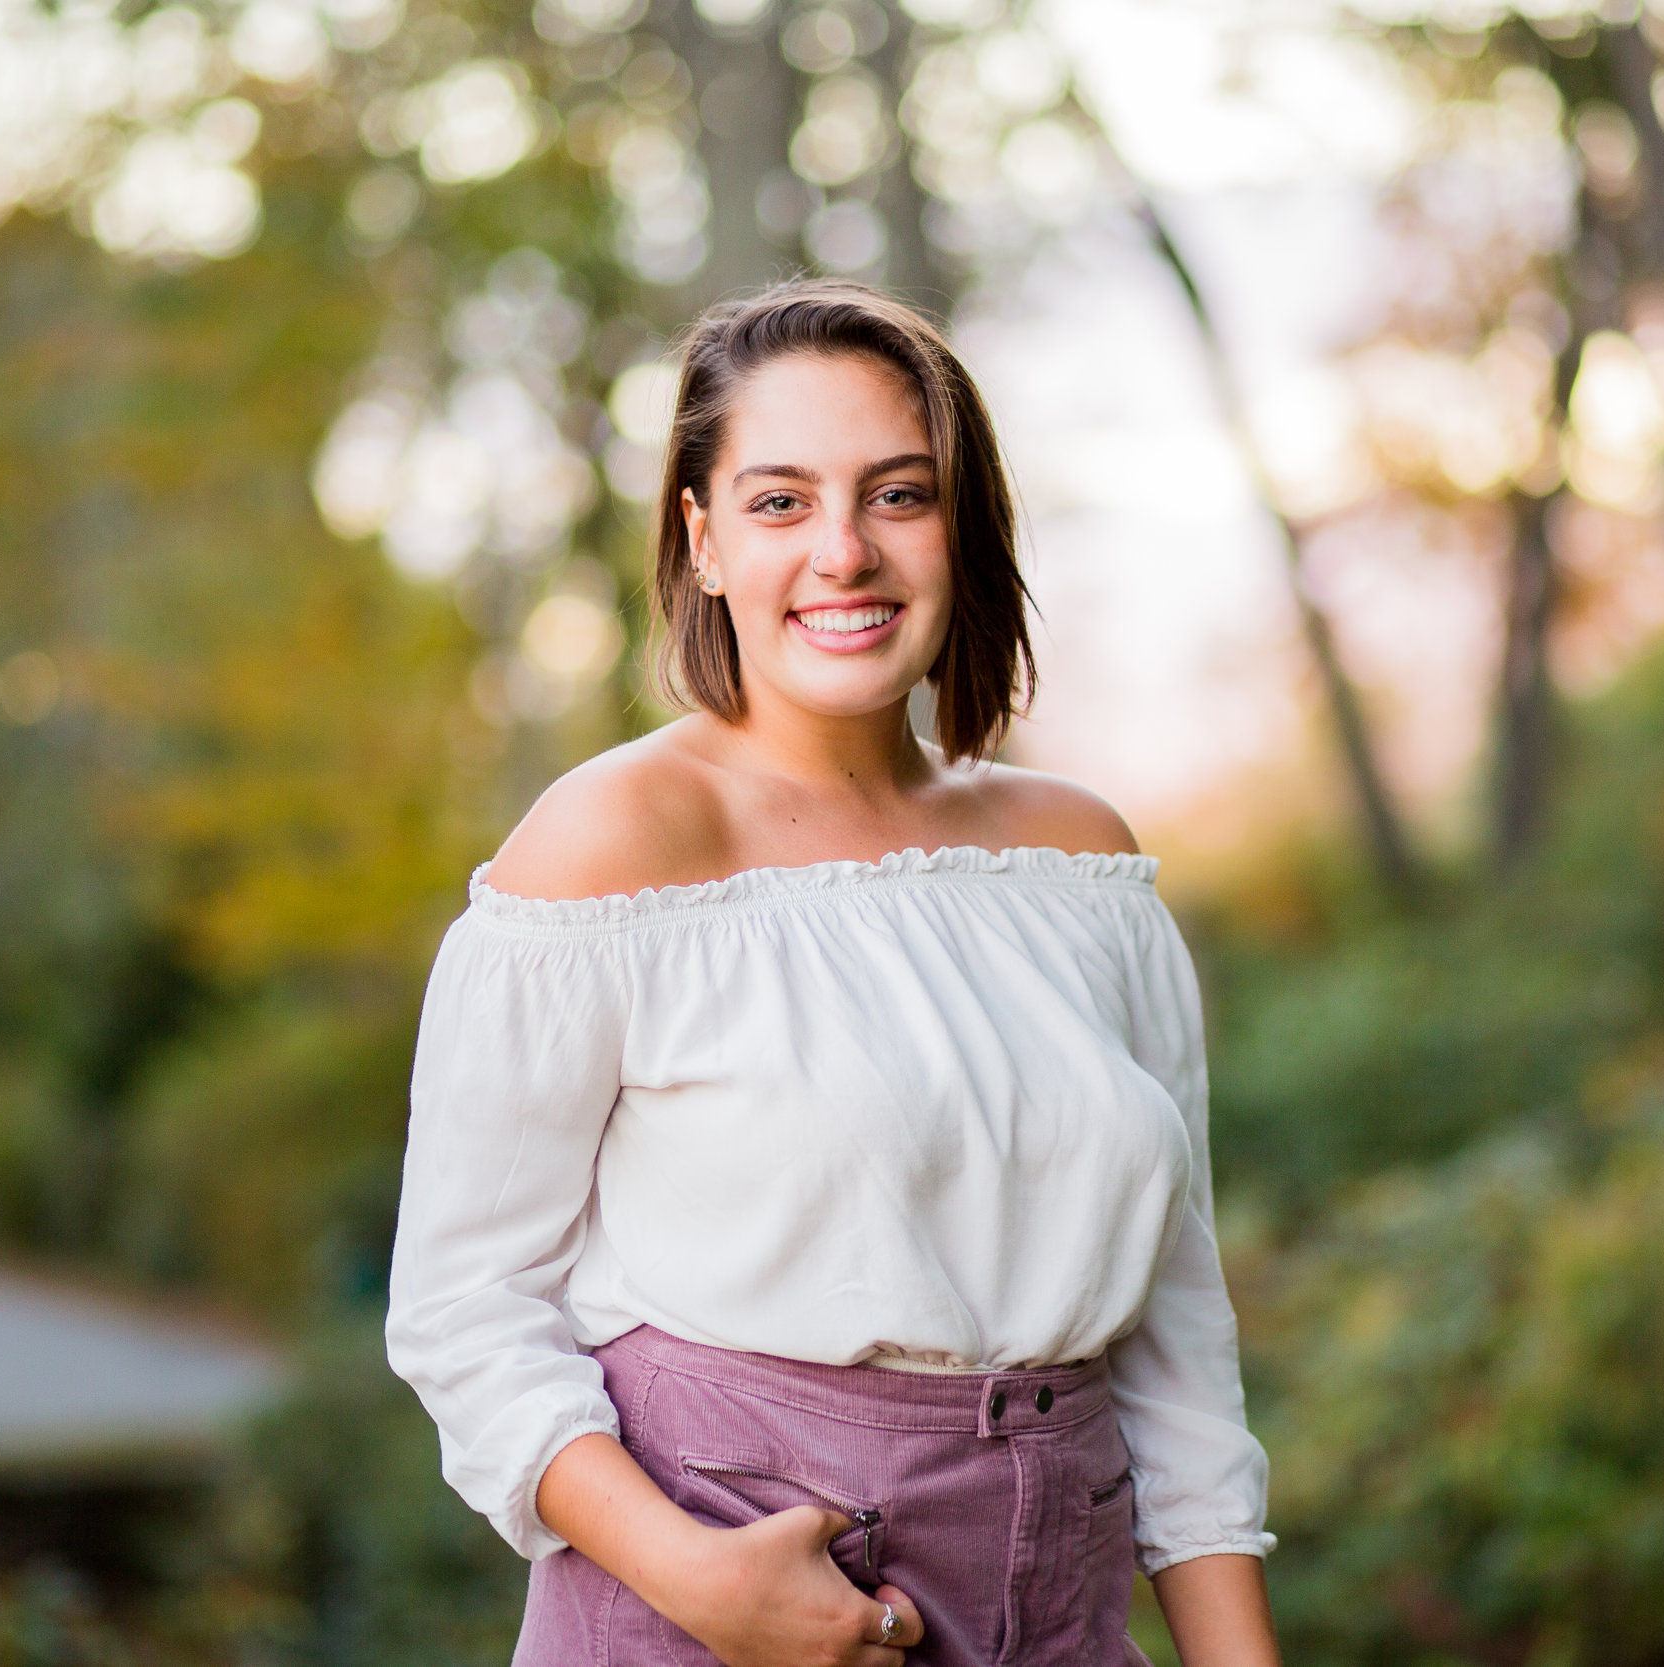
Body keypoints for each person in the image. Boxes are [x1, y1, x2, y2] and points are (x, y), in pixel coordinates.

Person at [387, 279, 1280, 1667]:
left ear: (960, 528)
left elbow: (1176, 1355)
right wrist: (697, 1578)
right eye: (782, 502)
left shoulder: (1080, 865)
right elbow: (464, 1311)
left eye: (899, 496)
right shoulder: (609, 849)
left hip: (1057, 1608)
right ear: (702, 541)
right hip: (721, 1611)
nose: (845, 553)